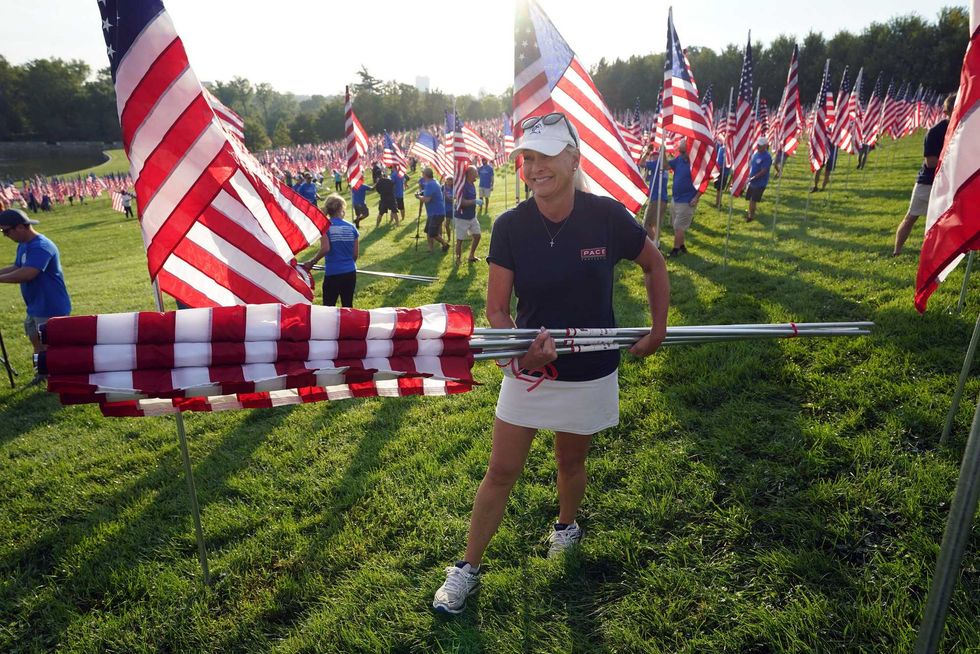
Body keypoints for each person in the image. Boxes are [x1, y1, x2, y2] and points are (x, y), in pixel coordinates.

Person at [431, 112, 669, 615]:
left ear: (574, 159)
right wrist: (521, 353)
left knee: (570, 461)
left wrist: (658, 329)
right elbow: (498, 309)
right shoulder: (510, 225)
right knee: (500, 471)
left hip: (590, 369)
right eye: (528, 158)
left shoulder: (607, 216)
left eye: (546, 156)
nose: (535, 167)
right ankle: (467, 567)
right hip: (531, 372)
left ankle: (565, 526)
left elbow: (654, 263)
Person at [0, 209, 72, 385]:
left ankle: (61, 378)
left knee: (51, 345)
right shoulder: (24, 245)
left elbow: (27, 273)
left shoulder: (41, 246)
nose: (5, 236)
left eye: (6, 231)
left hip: (50, 305)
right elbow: (17, 267)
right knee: (36, 340)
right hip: (34, 305)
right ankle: (42, 374)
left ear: (20, 227)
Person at [893, 93, 956, 256]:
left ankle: (940, 254)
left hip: (951, 182)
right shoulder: (935, 132)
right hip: (928, 182)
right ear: (947, 112)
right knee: (911, 217)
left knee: (946, 221)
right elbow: (931, 162)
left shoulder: (962, 131)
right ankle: (897, 251)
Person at [302, 194, 359, 308]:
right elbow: (355, 255)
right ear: (341, 208)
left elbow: (325, 248)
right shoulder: (352, 227)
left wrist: (312, 262)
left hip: (333, 272)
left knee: (328, 307)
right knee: (348, 306)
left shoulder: (325, 227)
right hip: (350, 272)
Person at [666, 139, 700, 257]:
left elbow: (703, 181)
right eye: (680, 151)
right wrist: (663, 153)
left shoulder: (696, 163)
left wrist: (696, 197)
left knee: (679, 226)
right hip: (676, 198)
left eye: (683, 152)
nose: (681, 154)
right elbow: (665, 166)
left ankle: (675, 250)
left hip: (687, 200)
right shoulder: (679, 159)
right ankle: (681, 246)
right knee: (677, 226)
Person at [453, 165, 483, 265]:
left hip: (472, 216)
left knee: (477, 235)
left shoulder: (472, 184)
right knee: (460, 240)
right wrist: (474, 201)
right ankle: (458, 259)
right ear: (470, 174)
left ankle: (471, 256)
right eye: (475, 173)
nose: (477, 175)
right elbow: (461, 202)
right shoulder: (463, 186)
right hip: (462, 217)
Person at [418, 167, 451, 254]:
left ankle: (445, 244)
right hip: (435, 212)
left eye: (423, 174)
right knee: (428, 231)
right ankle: (430, 249)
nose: (422, 175)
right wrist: (422, 193)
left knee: (432, 233)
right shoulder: (434, 181)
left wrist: (418, 197)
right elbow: (429, 193)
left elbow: (427, 200)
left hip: (436, 213)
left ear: (425, 175)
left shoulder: (430, 184)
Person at [641, 147, 669, 242]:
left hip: (656, 198)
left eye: (654, 155)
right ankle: (656, 243)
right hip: (663, 198)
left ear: (658, 156)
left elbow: (641, 163)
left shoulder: (657, 164)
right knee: (655, 224)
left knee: (647, 223)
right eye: (652, 156)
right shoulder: (660, 167)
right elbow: (646, 178)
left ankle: (651, 243)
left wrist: (647, 152)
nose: (652, 157)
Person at [745, 137, 772, 223]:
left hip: (760, 182)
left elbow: (764, 171)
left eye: (760, 145)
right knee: (751, 199)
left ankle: (751, 216)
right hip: (752, 181)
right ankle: (750, 212)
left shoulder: (767, 157)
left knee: (753, 199)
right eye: (758, 145)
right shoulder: (755, 153)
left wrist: (754, 177)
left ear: (765, 146)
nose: (758, 147)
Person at [713, 140, 731, 208]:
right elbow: (719, 162)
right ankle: (718, 202)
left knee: (720, 189)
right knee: (719, 189)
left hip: (724, 172)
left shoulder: (729, 151)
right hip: (720, 172)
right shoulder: (722, 149)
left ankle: (718, 203)